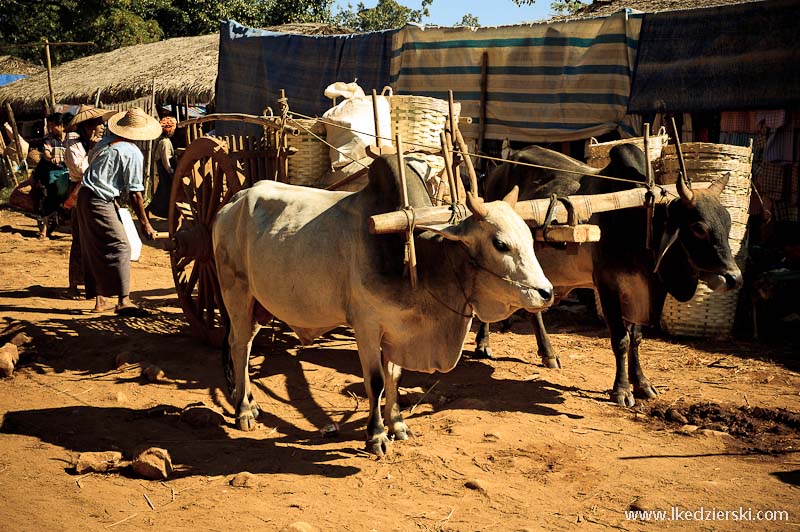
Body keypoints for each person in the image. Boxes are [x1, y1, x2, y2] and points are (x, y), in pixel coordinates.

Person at [76, 107, 160, 316]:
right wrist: (145, 223)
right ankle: (124, 301)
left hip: (85, 197)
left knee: (95, 247)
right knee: (121, 246)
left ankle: (100, 300)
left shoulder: (105, 143)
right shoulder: (131, 152)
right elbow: (135, 195)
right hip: (98, 199)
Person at [64, 105, 117, 297]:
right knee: (79, 237)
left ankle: (92, 284)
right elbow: (80, 169)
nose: (102, 128)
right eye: (98, 124)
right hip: (79, 190)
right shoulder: (74, 145)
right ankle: (74, 284)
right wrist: (93, 150)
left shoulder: (99, 143)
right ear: (88, 127)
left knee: (94, 239)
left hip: (96, 191)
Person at [34, 112, 71, 238]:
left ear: (61, 125)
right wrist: (52, 158)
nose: (51, 129)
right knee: (51, 195)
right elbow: (46, 153)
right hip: (54, 171)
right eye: (49, 126)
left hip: (71, 171)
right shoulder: (48, 138)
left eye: (53, 125)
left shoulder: (71, 138)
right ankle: (44, 230)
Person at [147, 116, 177, 218]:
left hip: (163, 168)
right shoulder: (165, 142)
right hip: (165, 169)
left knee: (162, 190)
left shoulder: (163, 140)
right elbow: (165, 159)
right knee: (165, 191)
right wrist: (170, 171)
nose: (174, 131)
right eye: (173, 128)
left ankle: (151, 209)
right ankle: (156, 210)